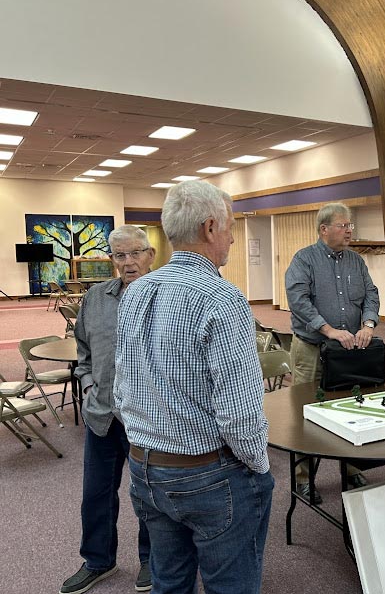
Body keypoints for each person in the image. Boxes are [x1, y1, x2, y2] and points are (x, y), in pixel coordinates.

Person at [114, 181, 274, 594]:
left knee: (169, 583)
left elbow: (121, 390)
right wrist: (258, 466)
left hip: (145, 470)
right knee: (231, 586)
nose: (234, 236)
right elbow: (240, 413)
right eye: (230, 226)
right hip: (209, 474)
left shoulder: (135, 293)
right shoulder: (222, 298)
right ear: (209, 227)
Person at [60, 226, 154, 594]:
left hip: (148, 419)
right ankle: (98, 561)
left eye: (135, 253)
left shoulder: (166, 297)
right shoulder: (95, 299)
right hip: (102, 416)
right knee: (96, 494)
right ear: (111, 258)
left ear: (150, 255)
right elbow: (83, 354)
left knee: (148, 494)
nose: (128, 262)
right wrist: (88, 386)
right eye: (120, 255)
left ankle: (152, 558)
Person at [285, 202, 380, 502]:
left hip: (349, 351)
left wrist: (368, 324)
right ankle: (303, 478)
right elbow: (298, 301)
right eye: (343, 225)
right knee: (308, 413)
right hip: (312, 349)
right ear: (324, 229)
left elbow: (371, 294)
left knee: (352, 408)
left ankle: (351, 470)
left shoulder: (356, 261)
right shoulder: (304, 259)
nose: (350, 230)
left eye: (351, 225)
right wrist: (328, 330)